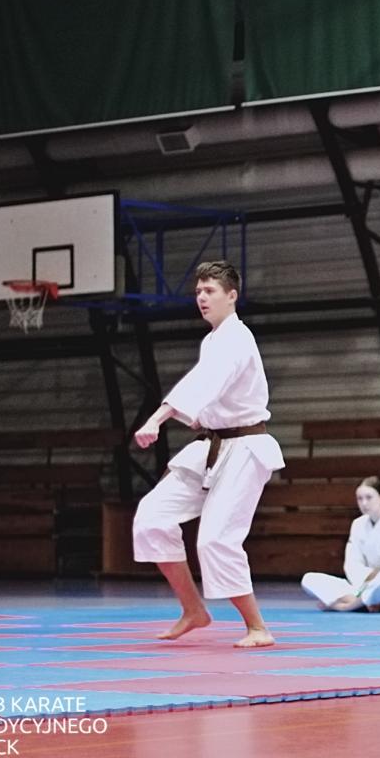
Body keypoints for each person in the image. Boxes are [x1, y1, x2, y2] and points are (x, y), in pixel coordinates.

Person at [132, 262, 284, 648]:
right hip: (212, 445)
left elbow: (202, 384)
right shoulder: (213, 340)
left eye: (210, 291)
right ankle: (193, 610)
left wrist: (157, 418)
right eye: (198, 291)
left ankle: (257, 627)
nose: (201, 297)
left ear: (232, 296)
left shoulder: (237, 338)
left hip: (245, 447)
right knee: (152, 517)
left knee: (215, 539)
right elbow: (205, 388)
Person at [300, 477, 380, 612]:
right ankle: (365, 602)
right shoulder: (357, 525)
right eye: (360, 499)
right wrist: (370, 577)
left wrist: (376, 578)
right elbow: (352, 565)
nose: (364, 503)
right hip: (363, 586)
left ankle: (348, 605)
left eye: (369, 498)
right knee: (309, 579)